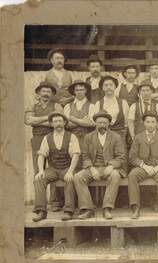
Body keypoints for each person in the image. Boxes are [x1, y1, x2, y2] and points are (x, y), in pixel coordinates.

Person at [73, 111, 128, 220]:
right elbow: (85, 156)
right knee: (78, 177)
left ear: (109, 124)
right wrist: (91, 169)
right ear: (95, 123)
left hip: (109, 167)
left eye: (105, 123)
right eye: (100, 123)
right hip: (93, 167)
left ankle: (107, 208)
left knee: (115, 175)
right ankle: (88, 209)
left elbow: (121, 156)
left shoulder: (116, 137)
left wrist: (112, 165)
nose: (102, 125)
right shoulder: (88, 137)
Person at [32, 111, 80, 222]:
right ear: (52, 124)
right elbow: (41, 155)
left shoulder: (71, 136)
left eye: (60, 121)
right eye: (55, 121)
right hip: (53, 168)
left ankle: (68, 211)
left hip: (67, 167)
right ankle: (41, 211)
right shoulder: (47, 138)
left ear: (64, 123)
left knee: (70, 179)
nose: (58, 123)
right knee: (39, 179)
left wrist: (70, 171)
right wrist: (40, 171)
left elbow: (76, 155)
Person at [24, 81, 64, 212]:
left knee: (53, 169)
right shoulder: (32, 105)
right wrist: (48, 118)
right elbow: (28, 120)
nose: (46, 93)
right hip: (37, 139)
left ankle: (55, 202)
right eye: (43, 91)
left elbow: (58, 123)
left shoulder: (57, 105)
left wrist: (38, 120)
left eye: (48, 91)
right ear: (38, 93)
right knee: (38, 172)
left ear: (52, 94)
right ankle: (40, 205)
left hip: (53, 139)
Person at [128, 111, 158, 219]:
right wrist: (144, 166)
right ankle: (135, 207)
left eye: (153, 122)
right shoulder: (138, 137)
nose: (150, 124)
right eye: (148, 122)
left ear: (157, 123)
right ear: (144, 123)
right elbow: (132, 157)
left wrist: (157, 167)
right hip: (143, 167)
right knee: (132, 176)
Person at [94, 75, 130, 148]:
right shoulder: (98, 103)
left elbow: (126, 123)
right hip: (103, 135)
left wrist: (123, 136)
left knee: (120, 156)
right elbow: (96, 123)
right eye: (106, 85)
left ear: (115, 87)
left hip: (120, 136)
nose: (108, 87)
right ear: (102, 88)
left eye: (111, 85)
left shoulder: (123, 102)